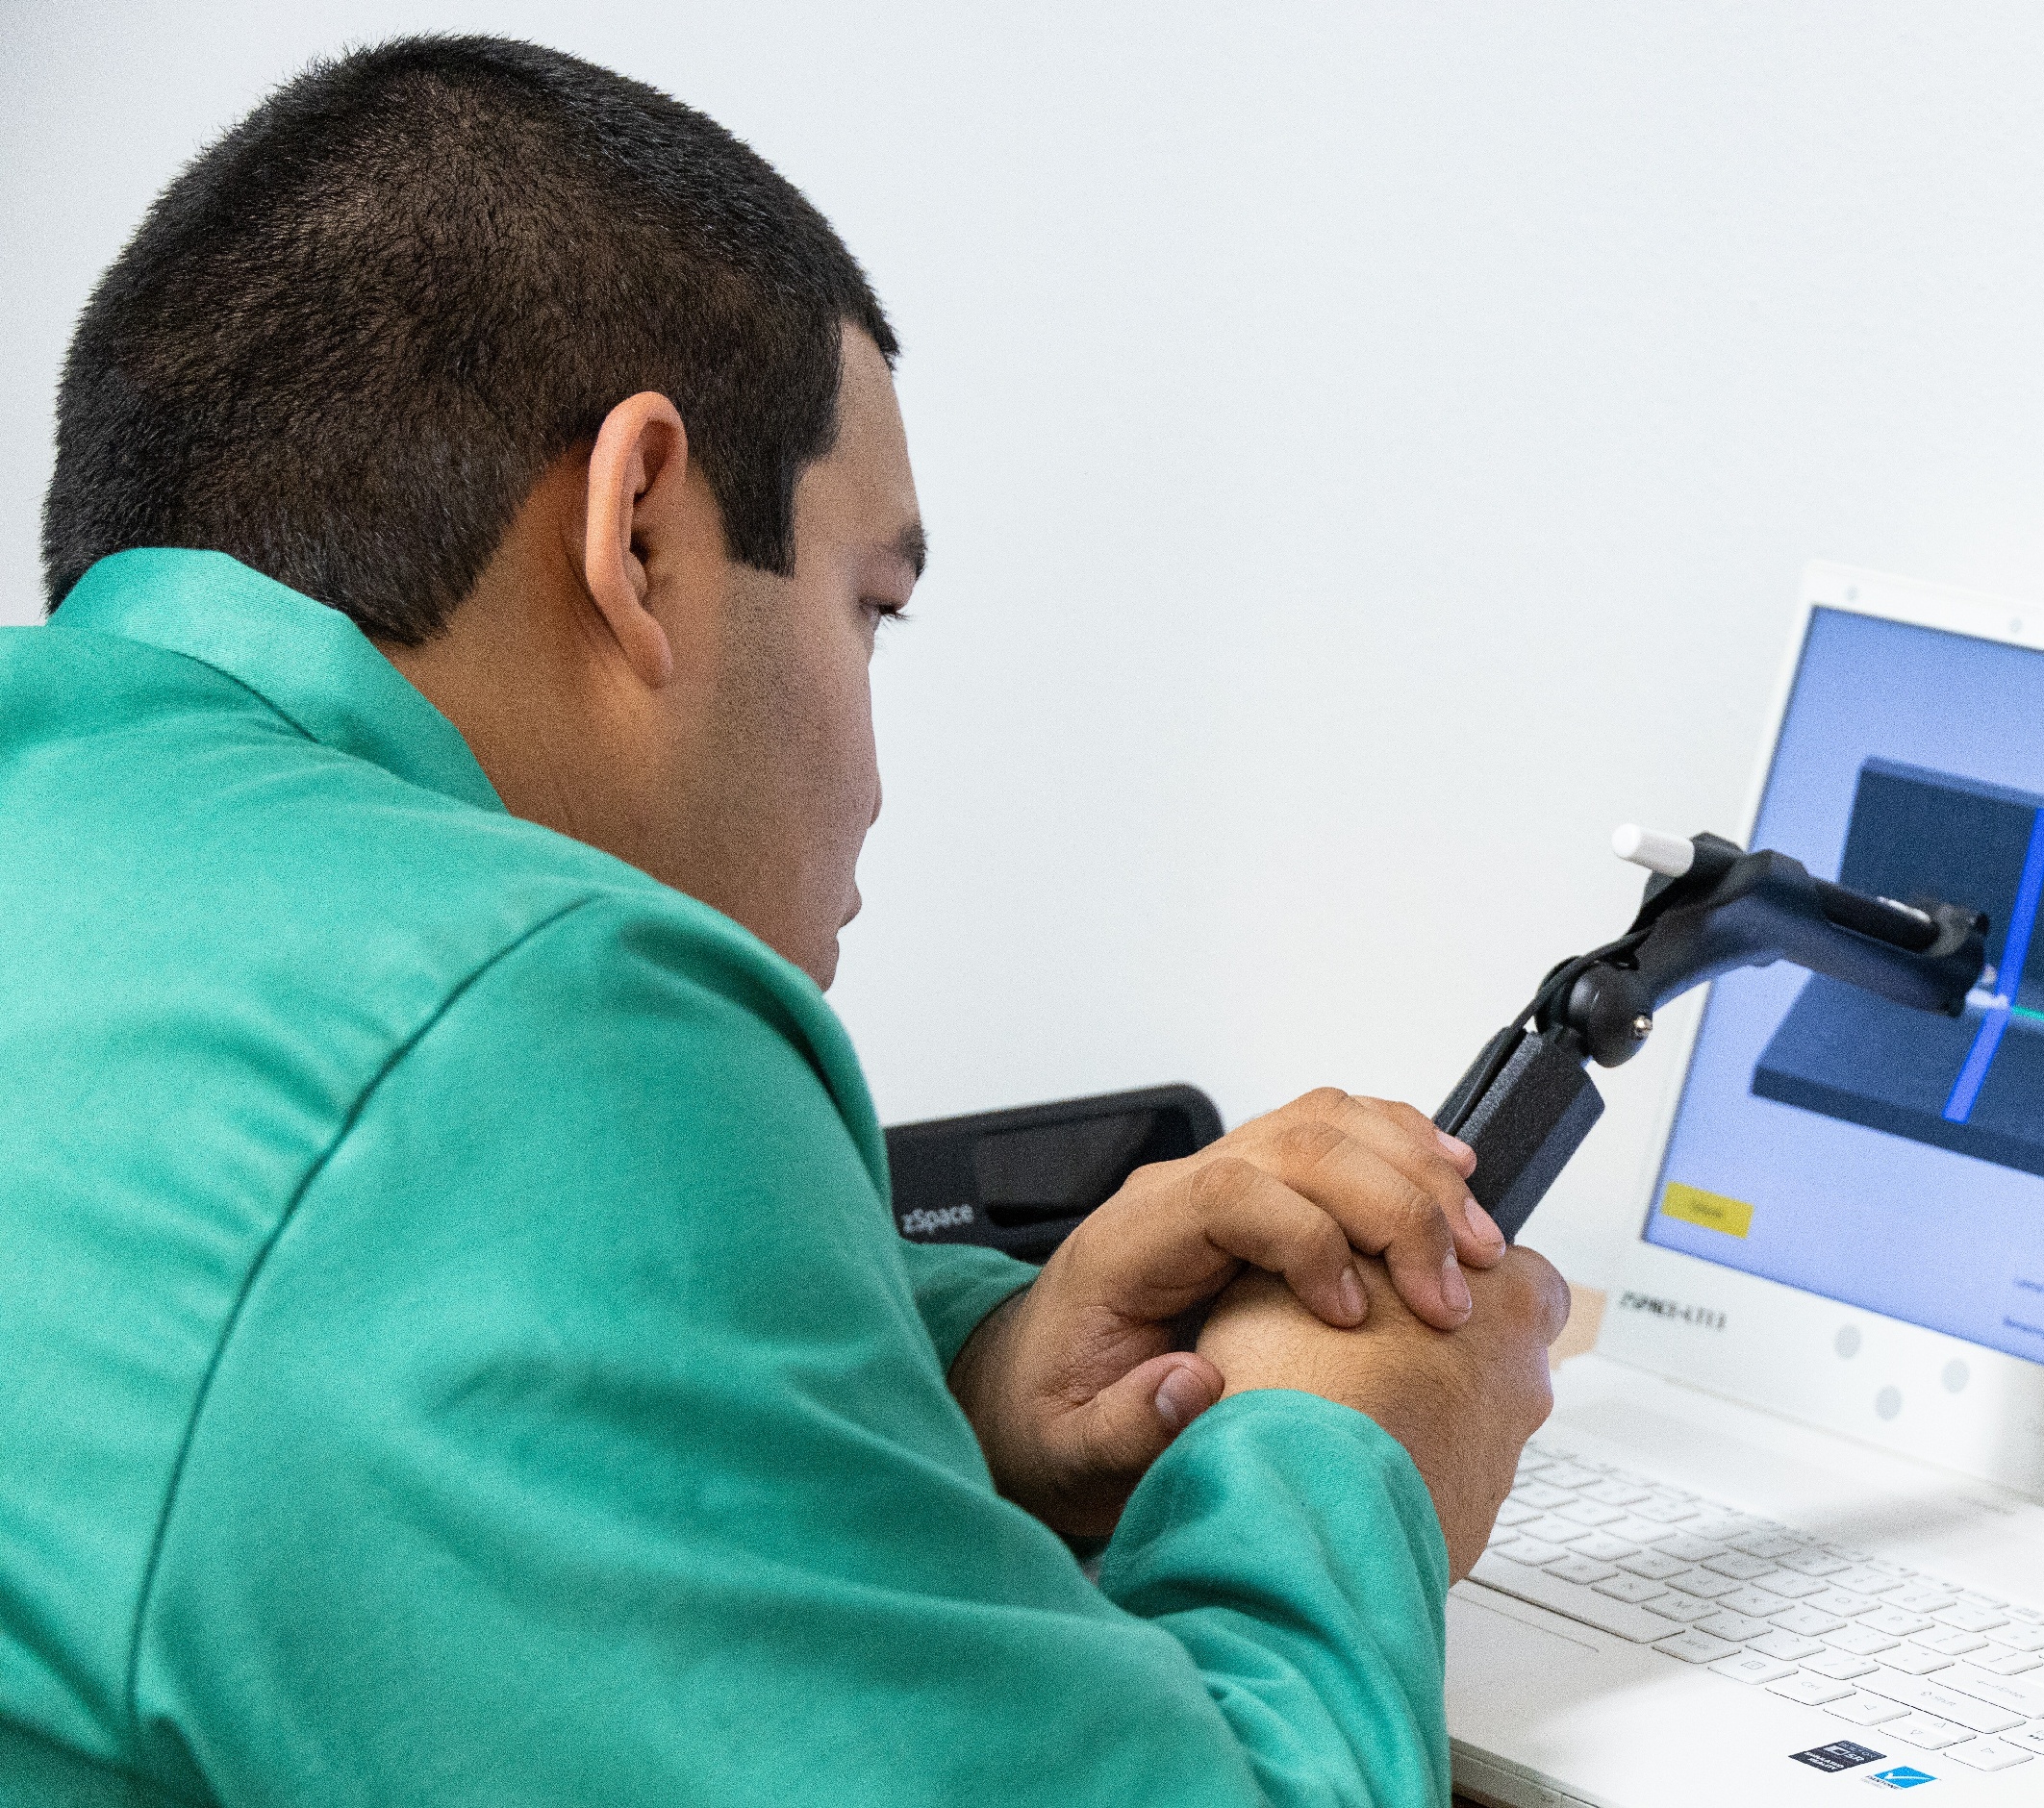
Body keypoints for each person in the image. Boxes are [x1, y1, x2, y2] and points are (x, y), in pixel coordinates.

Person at [0, 35, 1568, 1807]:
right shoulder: (520, 1021)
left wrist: (972, 1358)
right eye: (867, 605)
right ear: (640, 528)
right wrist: (1338, 1454)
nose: (877, 784)